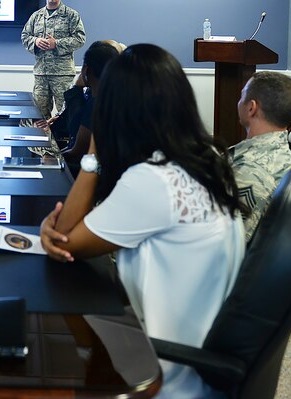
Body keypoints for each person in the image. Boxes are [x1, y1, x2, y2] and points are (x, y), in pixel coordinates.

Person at [39, 44, 244, 399]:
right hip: (195, 353)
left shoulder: (155, 180)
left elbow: (63, 241)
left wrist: (94, 153)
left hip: (162, 376)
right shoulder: (205, 158)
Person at [232, 71, 291, 242]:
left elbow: (227, 245)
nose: (238, 102)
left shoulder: (250, 173)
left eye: (241, 96)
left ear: (251, 107)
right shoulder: (281, 154)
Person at [21, 0, 86, 120]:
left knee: (67, 115)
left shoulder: (71, 15)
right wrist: (36, 41)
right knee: (39, 116)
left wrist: (56, 44)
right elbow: (25, 36)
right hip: (41, 75)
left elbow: (80, 39)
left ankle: (67, 143)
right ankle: (44, 143)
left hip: (62, 75)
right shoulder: (36, 16)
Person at [58, 41, 119, 174]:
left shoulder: (96, 105)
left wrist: (53, 159)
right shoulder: (118, 100)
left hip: (88, 174)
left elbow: (76, 151)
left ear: (87, 70)